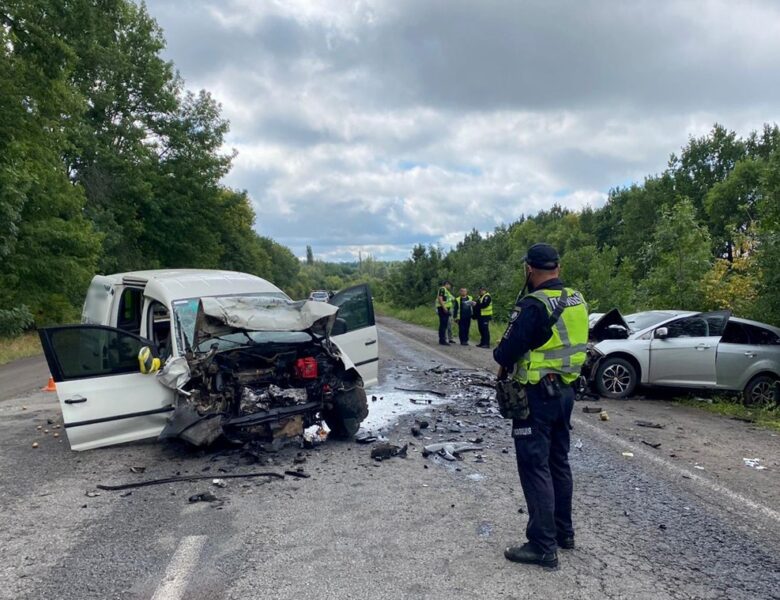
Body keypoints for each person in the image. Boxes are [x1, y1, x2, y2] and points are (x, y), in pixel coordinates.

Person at [492, 243, 588, 569]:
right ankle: (564, 532)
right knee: (558, 461)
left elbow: (504, 353)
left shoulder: (532, 305)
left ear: (529, 269)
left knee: (535, 467)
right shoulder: (577, 299)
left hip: (536, 395)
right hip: (565, 393)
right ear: (558, 268)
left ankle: (543, 546)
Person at [435, 281, 455, 346]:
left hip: (445, 308)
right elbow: (440, 298)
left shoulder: (446, 291)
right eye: (449, 285)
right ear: (446, 284)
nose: (450, 287)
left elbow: (452, 299)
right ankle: (442, 340)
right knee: (443, 325)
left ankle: (442, 339)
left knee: (444, 324)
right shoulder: (442, 289)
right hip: (443, 308)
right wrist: (444, 308)